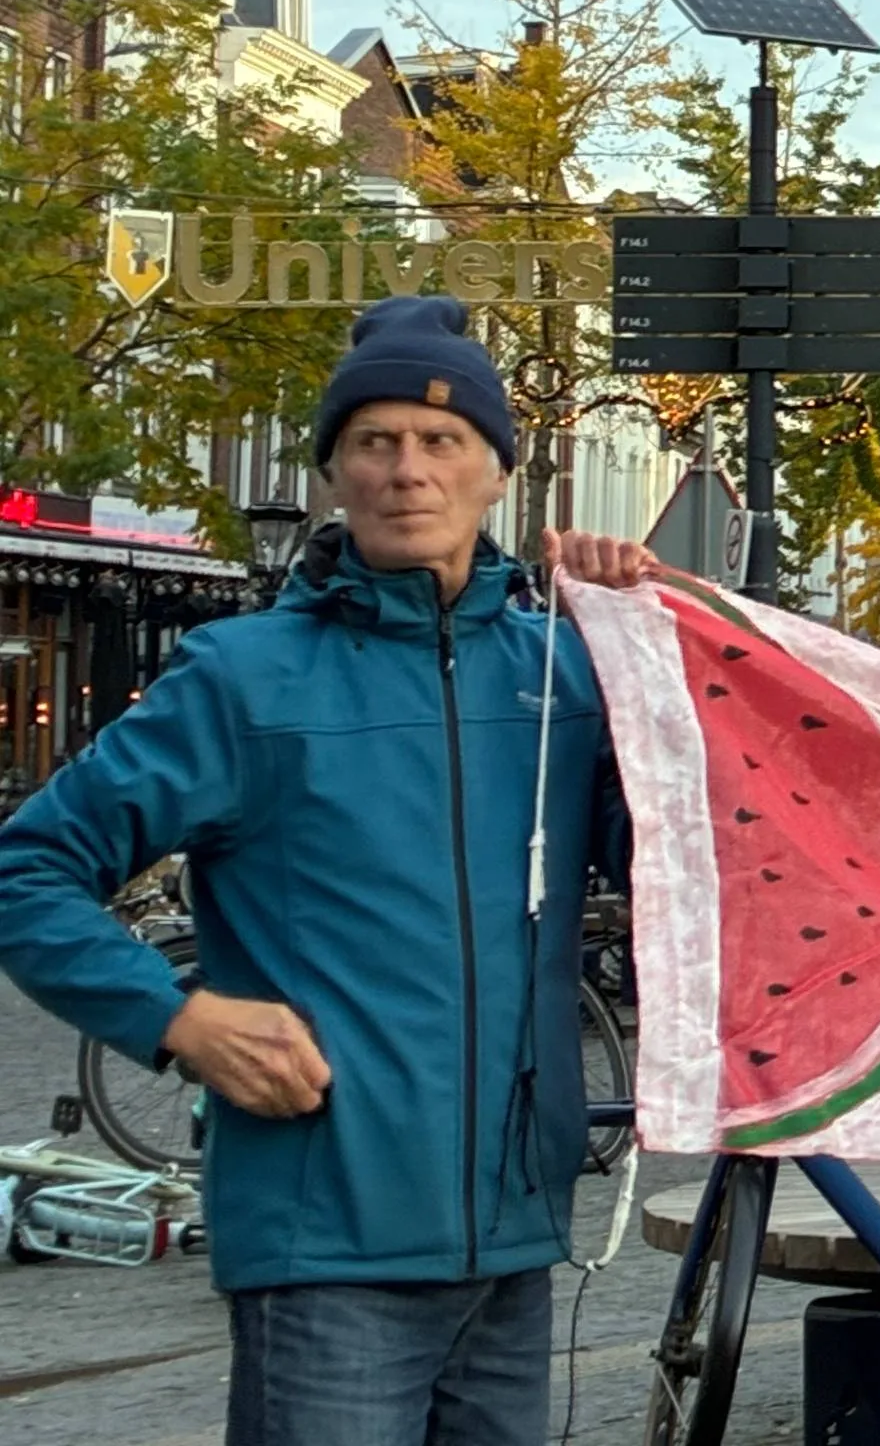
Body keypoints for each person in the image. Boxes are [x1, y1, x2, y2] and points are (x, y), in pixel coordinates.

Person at [0, 295, 650, 1446]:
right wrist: (181, 1019)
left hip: (513, 1236)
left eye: (443, 440)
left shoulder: (565, 674)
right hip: (325, 1241)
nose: (409, 470)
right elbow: (28, 868)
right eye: (375, 441)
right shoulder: (242, 678)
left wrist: (651, 639)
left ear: (498, 473)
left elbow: (681, 861)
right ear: (335, 472)